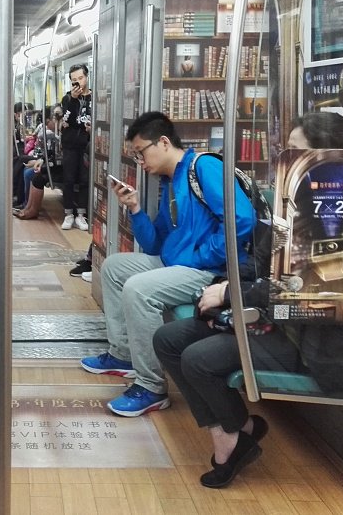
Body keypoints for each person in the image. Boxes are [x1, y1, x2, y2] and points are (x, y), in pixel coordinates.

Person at [152, 111, 343, 489]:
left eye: (295, 151)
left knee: (199, 359)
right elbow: (259, 266)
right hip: (269, 316)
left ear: (326, 158)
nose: (285, 159)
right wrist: (219, 286)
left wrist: (231, 293)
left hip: (307, 336)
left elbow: (305, 288)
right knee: (168, 339)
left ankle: (228, 440)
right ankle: (236, 427)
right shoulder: (294, 204)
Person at [80, 111, 256, 417]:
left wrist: (201, 256)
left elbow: (242, 219)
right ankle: (123, 354)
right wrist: (134, 209)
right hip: (176, 264)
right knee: (114, 268)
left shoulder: (204, 167)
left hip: (208, 272)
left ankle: (151, 387)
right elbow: (155, 245)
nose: (140, 161)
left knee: (138, 289)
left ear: (162, 142)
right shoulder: (171, 184)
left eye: (141, 152)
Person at [60, 64, 92, 231]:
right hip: (70, 145)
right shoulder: (67, 99)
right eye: (74, 80)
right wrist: (73, 100)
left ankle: (81, 214)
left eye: (81, 78)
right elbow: (67, 120)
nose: (78, 82)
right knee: (69, 179)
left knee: (85, 179)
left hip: (87, 146)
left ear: (87, 77)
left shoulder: (94, 98)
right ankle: (68, 214)